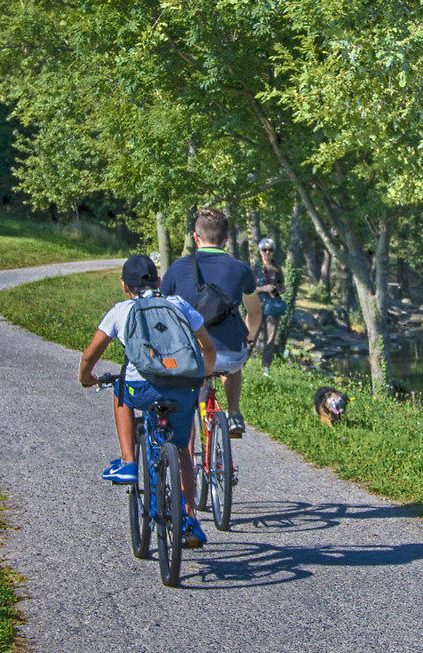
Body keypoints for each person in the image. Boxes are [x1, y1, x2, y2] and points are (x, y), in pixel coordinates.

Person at [77, 254, 218, 548]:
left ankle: (128, 462)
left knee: (120, 393)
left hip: (142, 389)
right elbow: (207, 346)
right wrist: (201, 374)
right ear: (158, 282)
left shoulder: (122, 310)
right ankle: (190, 519)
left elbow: (91, 354)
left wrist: (86, 376)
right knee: (181, 451)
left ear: (124, 286)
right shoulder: (178, 305)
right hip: (183, 388)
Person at [162, 208, 259, 439]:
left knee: (191, 392)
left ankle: (188, 439)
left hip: (191, 354)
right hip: (230, 354)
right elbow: (254, 311)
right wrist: (249, 338)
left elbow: (162, 308)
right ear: (226, 239)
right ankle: (234, 412)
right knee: (233, 364)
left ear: (196, 237)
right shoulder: (241, 270)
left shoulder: (177, 267)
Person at [250, 236, 288, 370]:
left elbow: (283, 287)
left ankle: (265, 368)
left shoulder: (277, 268)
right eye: (264, 250)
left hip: (272, 308)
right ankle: (241, 367)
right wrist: (263, 289)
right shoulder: (254, 268)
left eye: (270, 250)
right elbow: (248, 289)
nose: (267, 253)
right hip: (256, 307)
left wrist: (277, 290)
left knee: (270, 340)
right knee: (251, 338)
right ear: (260, 251)